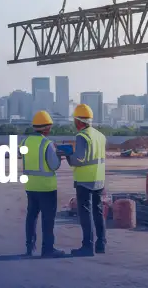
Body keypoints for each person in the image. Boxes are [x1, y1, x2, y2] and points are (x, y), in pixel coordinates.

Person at [22, 110, 66, 258]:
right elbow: (53, 165)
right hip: (46, 188)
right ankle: (47, 249)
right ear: (47, 128)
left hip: (30, 186)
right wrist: (59, 157)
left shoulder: (26, 141)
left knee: (31, 217)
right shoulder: (47, 144)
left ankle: (30, 247)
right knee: (48, 220)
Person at [67, 103, 106, 256]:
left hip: (85, 181)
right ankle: (101, 243)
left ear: (78, 121)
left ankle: (87, 246)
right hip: (99, 179)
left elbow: (79, 159)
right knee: (98, 211)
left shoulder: (82, 136)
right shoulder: (100, 136)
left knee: (85, 213)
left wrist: (68, 156)